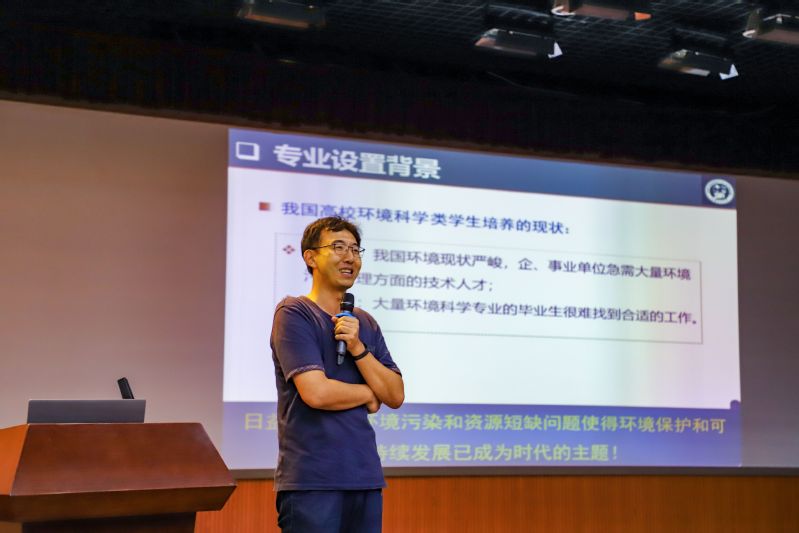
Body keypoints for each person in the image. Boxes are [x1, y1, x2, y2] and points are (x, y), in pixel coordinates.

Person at [271, 216, 405, 533]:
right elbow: (316, 393)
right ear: (310, 257)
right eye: (339, 247)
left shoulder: (364, 323)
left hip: (365, 476)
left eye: (355, 250)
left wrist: (357, 346)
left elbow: (395, 394)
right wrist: (370, 393)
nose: (350, 258)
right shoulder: (294, 313)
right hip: (312, 480)